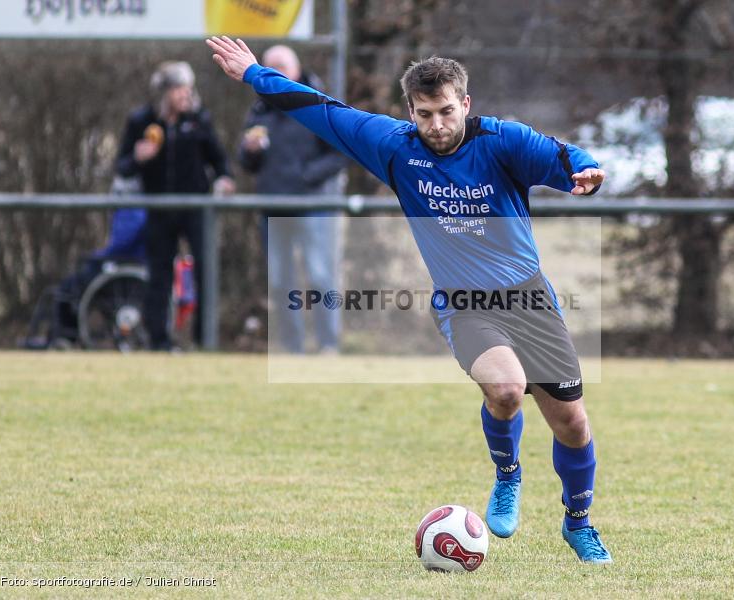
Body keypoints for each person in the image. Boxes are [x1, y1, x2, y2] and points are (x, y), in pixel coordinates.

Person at [207, 36, 611, 563]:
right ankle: (508, 474)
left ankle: (578, 524)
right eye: (425, 114)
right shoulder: (395, 146)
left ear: (465, 104)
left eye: (447, 111)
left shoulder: (501, 141)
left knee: (572, 424)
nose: (437, 125)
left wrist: (586, 173)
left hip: (529, 297)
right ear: (410, 111)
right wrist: (256, 75)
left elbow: (561, 155)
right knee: (507, 390)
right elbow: (321, 111)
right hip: (463, 301)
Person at [116, 61, 235, 351]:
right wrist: (139, 157)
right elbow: (122, 167)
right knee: (159, 274)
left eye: (188, 89)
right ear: (165, 92)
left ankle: (204, 340)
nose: (185, 95)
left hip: (196, 211)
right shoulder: (141, 122)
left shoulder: (199, 121)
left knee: (204, 271)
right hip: (158, 210)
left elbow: (219, 162)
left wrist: (224, 180)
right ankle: (159, 341)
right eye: (179, 89)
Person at [239, 45, 348, 354]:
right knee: (281, 282)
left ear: (297, 70)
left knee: (320, 276)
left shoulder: (317, 103)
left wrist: (305, 177)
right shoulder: (260, 109)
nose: (276, 74)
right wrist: (250, 151)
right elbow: (246, 164)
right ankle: (292, 346)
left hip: (313, 207)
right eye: (270, 68)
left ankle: (328, 344)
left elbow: (340, 154)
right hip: (273, 210)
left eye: (282, 67)